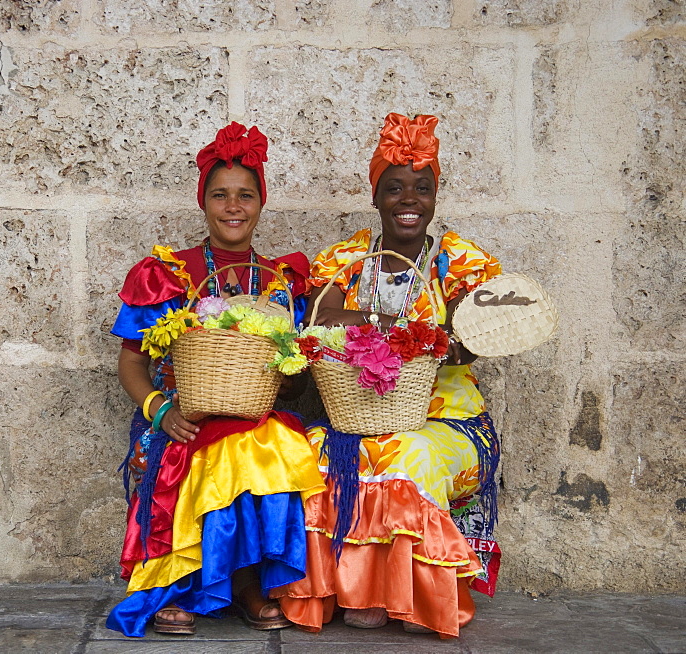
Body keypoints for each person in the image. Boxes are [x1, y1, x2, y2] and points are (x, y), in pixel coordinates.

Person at [272, 113, 502, 637]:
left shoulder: (453, 263)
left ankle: (401, 595)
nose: (409, 199)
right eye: (394, 188)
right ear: (375, 197)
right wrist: (399, 327)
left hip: (449, 420)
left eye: (423, 188)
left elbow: (474, 336)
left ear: (435, 197)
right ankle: (345, 591)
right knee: (313, 452)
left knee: (407, 452)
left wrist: (428, 340)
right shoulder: (351, 261)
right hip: (358, 413)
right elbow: (324, 318)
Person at [105, 122, 326, 638]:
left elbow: (290, 384)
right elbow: (131, 363)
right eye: (220, 195)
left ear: (261, 203)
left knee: (270, 443)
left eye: (246, 195)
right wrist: (162, 410)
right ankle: (177, 585)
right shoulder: (169, 275)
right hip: (183, 417)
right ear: (203, 201)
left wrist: (284, 372)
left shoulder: (280, 281)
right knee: (229, 448)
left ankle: (248, 581)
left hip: (250, 414)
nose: (233, 207)